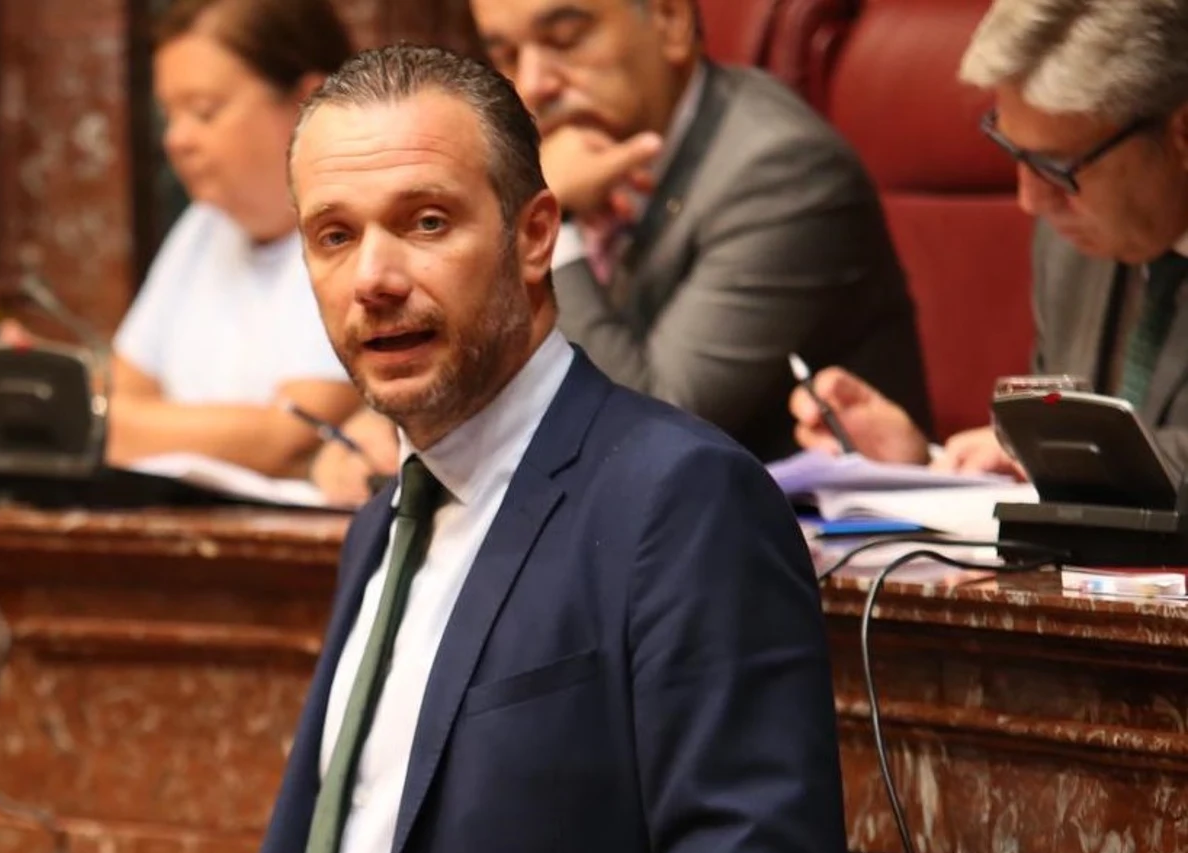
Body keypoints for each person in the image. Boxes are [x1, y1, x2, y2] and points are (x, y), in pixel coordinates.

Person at [66, 44, 851, 853]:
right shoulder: (384, 521)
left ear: (533, 235)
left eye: (425, 222)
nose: (374, 279)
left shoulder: (676, 495)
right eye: (333, 237)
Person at [311, 0, 931, 504]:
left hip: (807, 575)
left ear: (668, 20)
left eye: (566, 36)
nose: (532, 83)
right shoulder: (579, 160)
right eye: (505, 53)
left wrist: (551, 223)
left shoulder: (780, 170)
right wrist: (412, 431)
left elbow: (649, 418)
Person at [790, 0, 1188, 477]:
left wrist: (1048, 455)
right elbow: (1068, 473)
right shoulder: (1072, 247)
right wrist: (923, 464)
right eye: (1014, 152)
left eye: (1057, 167)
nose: (1030, 199)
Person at [19, 0, 362, 476]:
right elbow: (125, 390)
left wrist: (82, 413)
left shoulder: (362, 233)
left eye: (204, 112)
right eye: (169, 116)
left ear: (308, 101)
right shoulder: (204, 227)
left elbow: (288, 435)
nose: (176, 140)